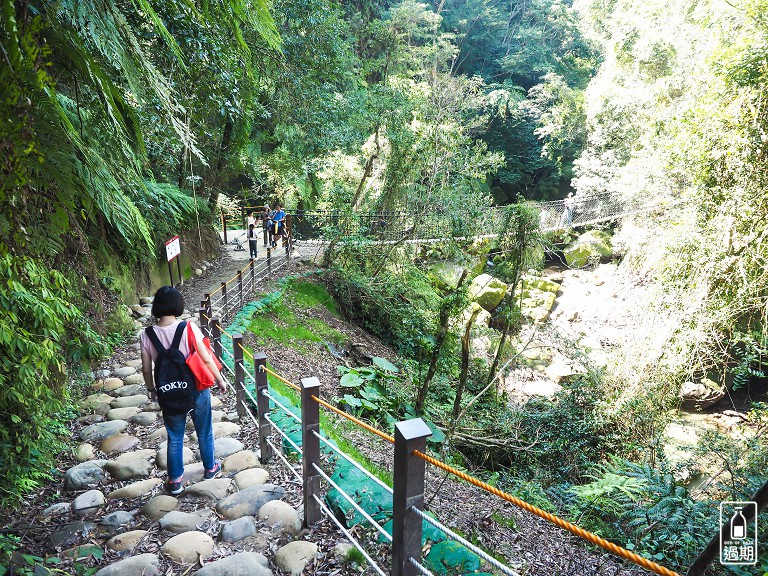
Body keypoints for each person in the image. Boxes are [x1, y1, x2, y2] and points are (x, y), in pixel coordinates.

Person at [140, 286, 229, 495]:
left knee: (175, 436)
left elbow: (146, 369)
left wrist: (152, 390)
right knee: (204, 430)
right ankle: (210, 468)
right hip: (196, 387)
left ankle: (175, 482)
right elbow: (206, 357)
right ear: (177, 305)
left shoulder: (146, 335)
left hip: (168, 390)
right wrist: (219, 379)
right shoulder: (188, 328)